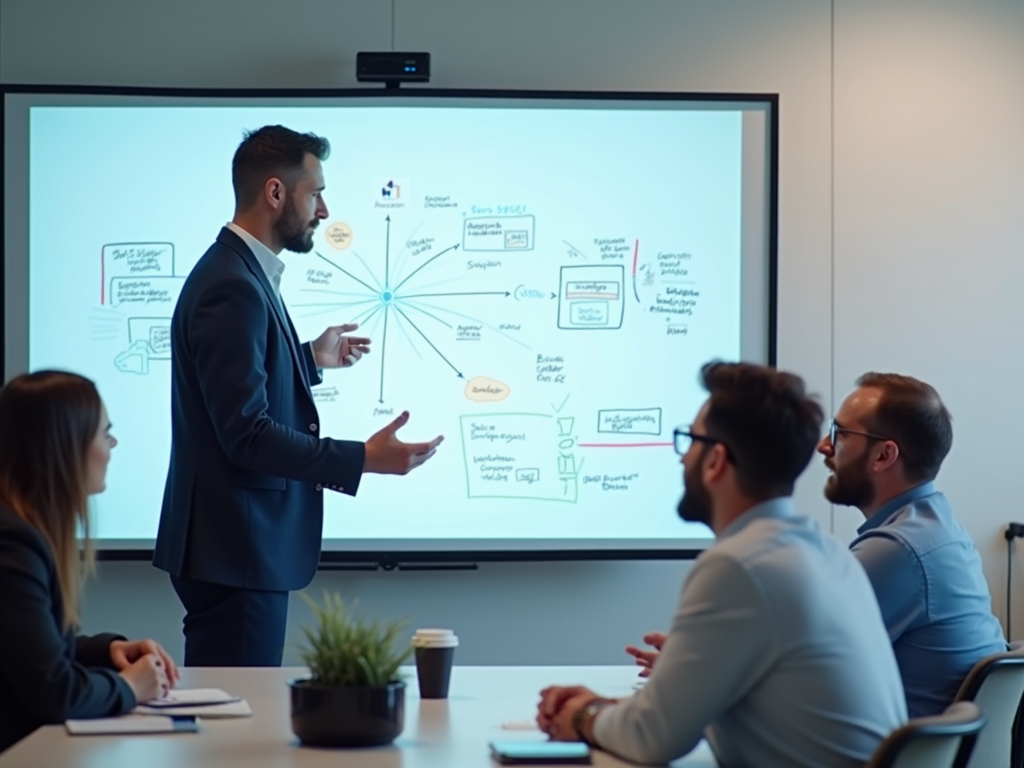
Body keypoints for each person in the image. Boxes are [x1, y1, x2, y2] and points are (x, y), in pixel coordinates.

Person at [153, 125, 444, 667]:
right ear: (275, 193)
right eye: (316, 193)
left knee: (236, 722)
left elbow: (234, 391)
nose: (325, 210)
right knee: (236, 735)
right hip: (236, 550)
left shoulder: (239, 273)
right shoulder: (232, 285)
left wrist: (307, 358)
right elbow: (246, 434)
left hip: (234, 549)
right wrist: (362, 459)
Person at [538, 362, 906, 768]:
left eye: (689, 440)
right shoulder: (827, 553)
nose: (681, 460)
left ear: (715, 461)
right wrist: (608, 708)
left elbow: (652, 740)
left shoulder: (741, 566)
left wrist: (582, 715)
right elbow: (681, 715)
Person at [629, 372, 1006, 719]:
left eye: (840, 433)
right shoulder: (936, 528)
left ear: (884, 455)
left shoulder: (898, 551)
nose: (824, 446)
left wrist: (696, 673)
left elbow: (789, 672)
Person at [0, 371, 179, 753]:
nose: (112, 445)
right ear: (67, 446)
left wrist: (105, 651)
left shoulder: (21, 530)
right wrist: (131, 686)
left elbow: (23, 652)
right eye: (104, 433)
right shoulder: (13, 542)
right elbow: (53, 692)